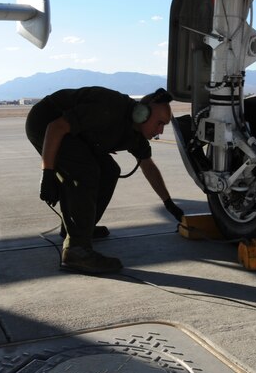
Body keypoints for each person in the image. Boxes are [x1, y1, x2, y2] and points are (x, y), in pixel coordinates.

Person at [25, 86, 185, 274]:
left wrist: (168, 203)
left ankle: (79, 229)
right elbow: (56, 127)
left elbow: (148, 166)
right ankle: (76, 251)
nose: (160, 131)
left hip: (74, 133)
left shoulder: (135, 133)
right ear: (142, 114)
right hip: (45, 122)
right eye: (159, 123)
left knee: (109, 170)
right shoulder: (108, 109)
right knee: (86, 171)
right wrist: (48, 174)